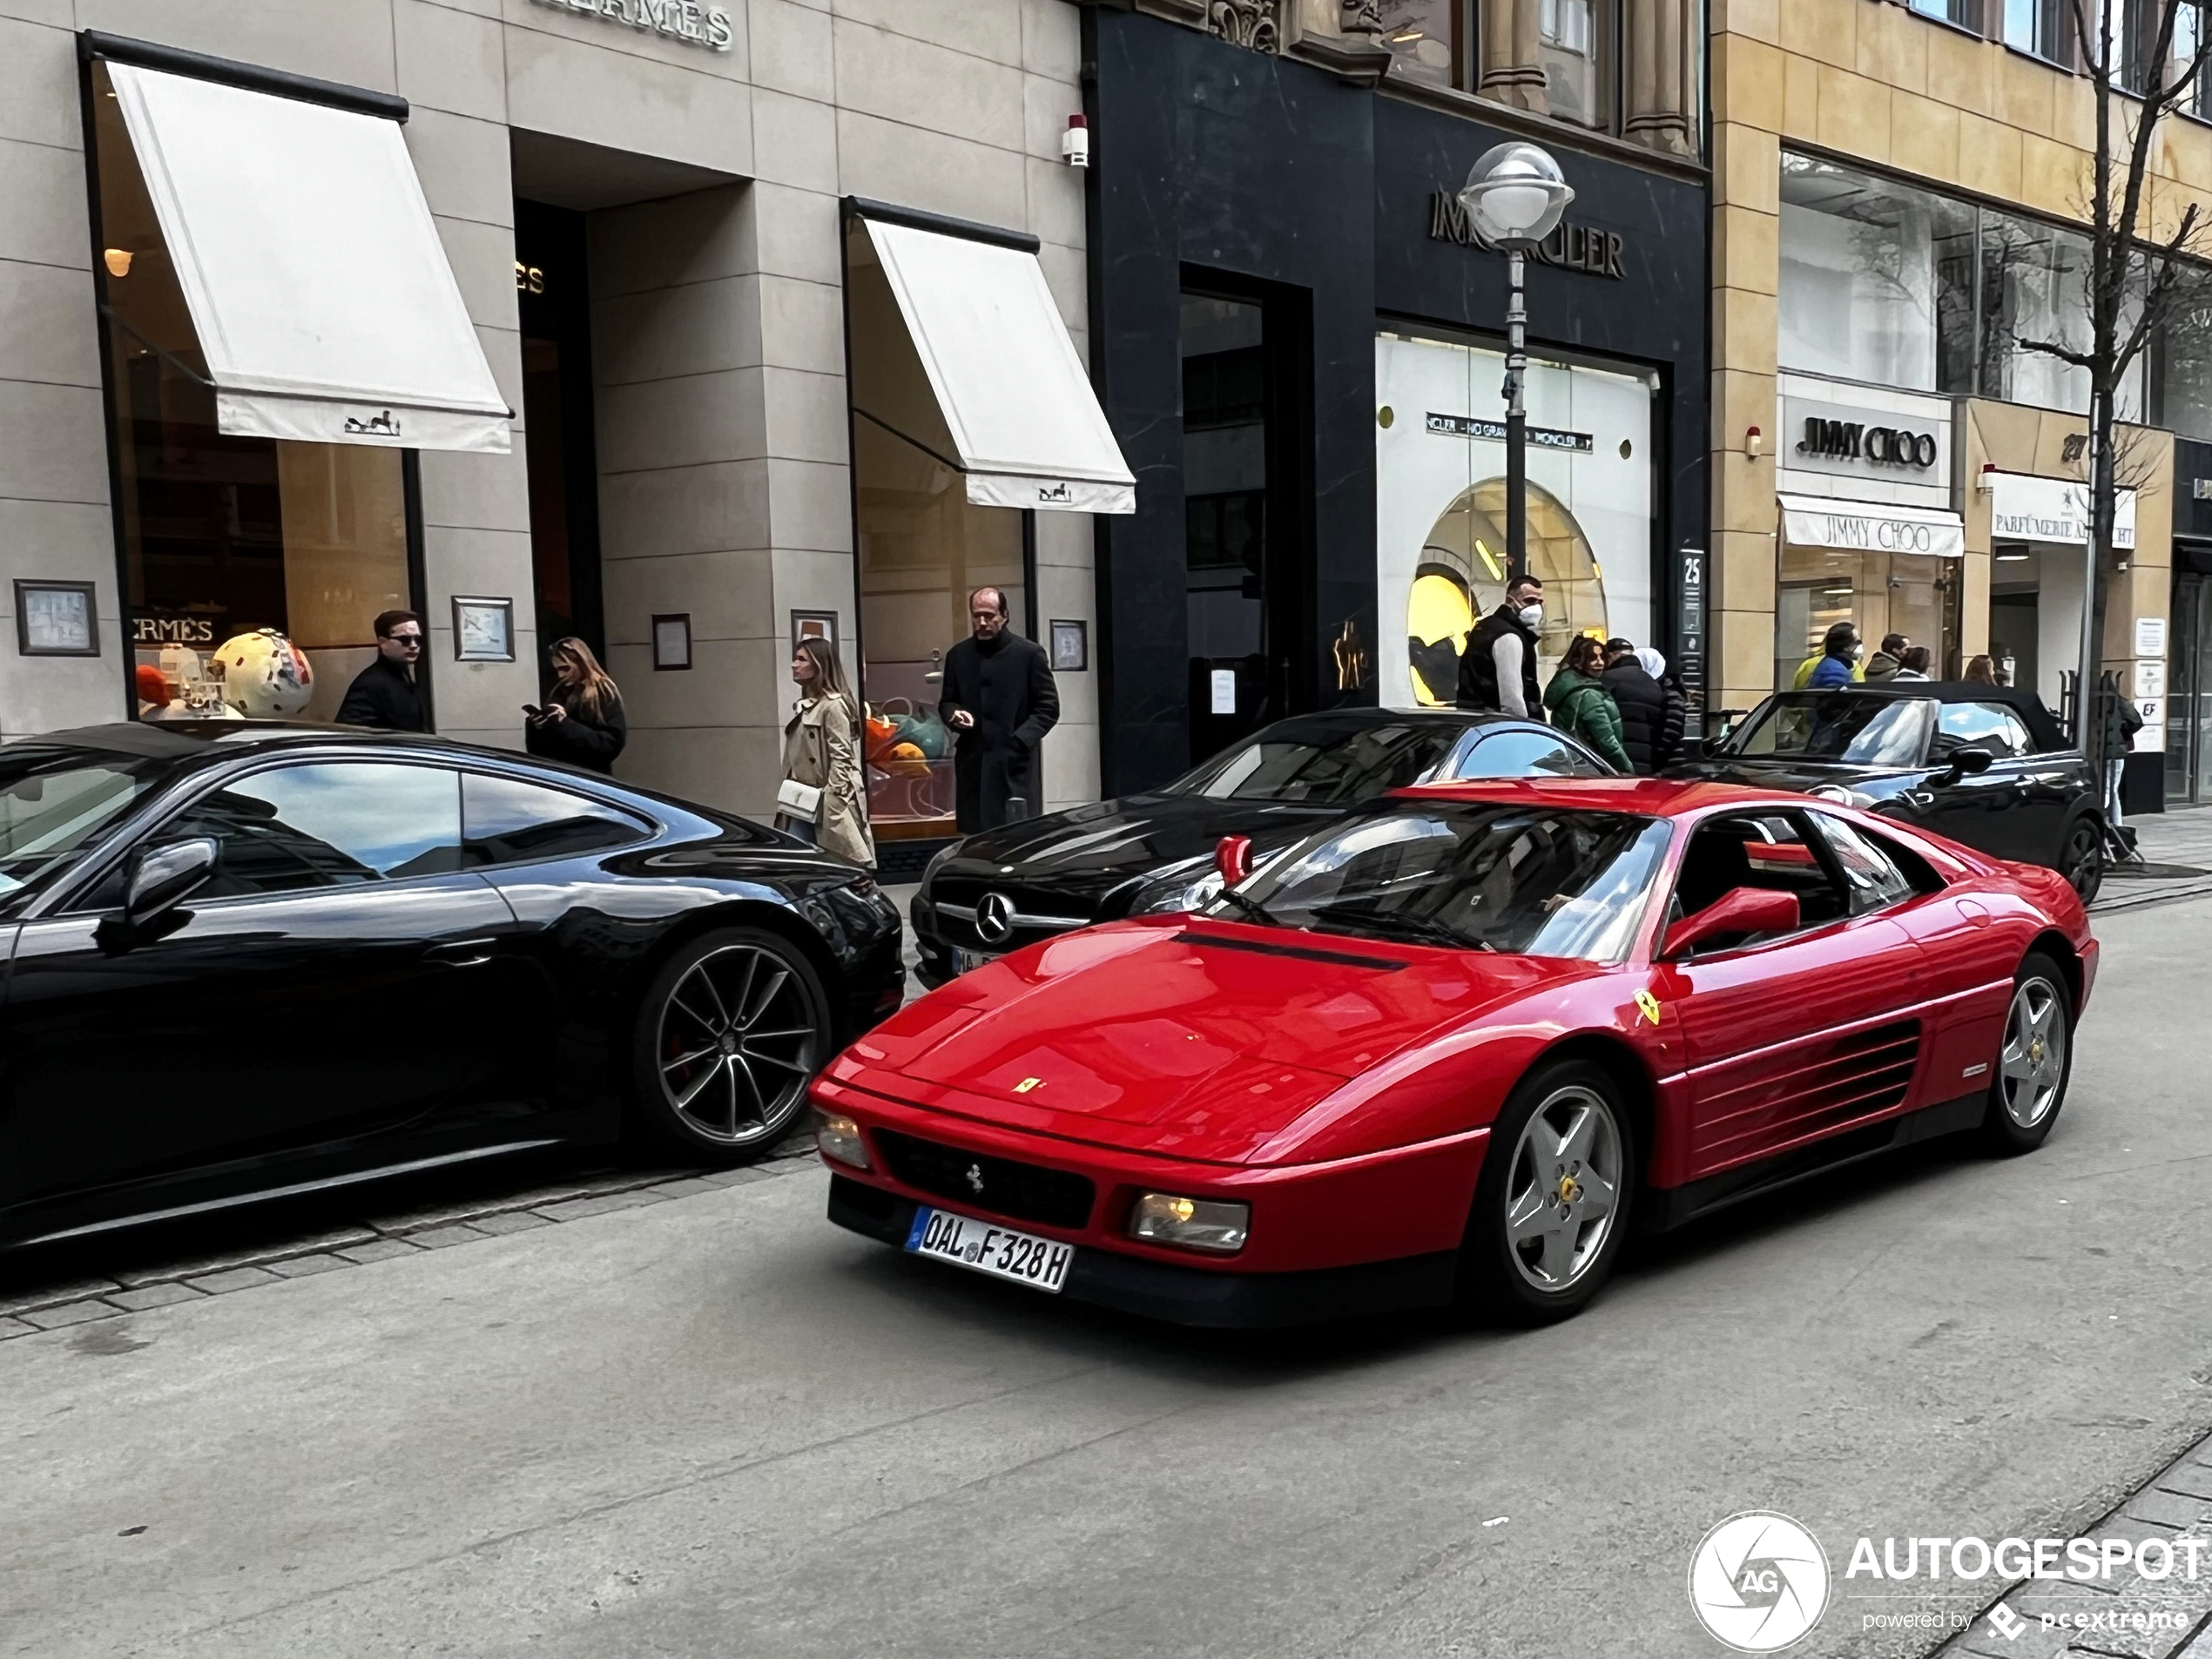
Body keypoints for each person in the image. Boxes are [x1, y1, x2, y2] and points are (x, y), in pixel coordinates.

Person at [940, 587, 1059, 833]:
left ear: (1004, 615)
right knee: (973, 837)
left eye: (989, 615)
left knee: (1016, 836)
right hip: (973, 763)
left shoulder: (1029, 654)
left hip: (1014, 767)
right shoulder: (958, 655)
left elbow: (1048, 708)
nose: (982, 622)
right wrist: (954, 714)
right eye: (976, 616)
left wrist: (1019, 741)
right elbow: (947, 701)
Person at [779, 637, 872, 864]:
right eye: (795, 658)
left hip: (827, 801)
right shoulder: (808, 703)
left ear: (819, 665)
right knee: (799, 862)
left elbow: (843, 757)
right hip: (803, 799)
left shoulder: (834, 705)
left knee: (843, 865)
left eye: (801, 659)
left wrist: (834, 799)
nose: (794, 664)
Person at [524, 637, 627, 774]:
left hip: (590, 776)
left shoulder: (603, 691)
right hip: (560, 774)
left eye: (565, 669)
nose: (561, 675)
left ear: (581, 663)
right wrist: (537, 726)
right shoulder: (559, 691)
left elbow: (610, 745)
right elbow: (539, 751)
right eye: (557, 670)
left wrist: (565, 723)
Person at [1458, 576, 1545, 718]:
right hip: (1497, 721)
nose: (1536, 607)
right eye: (1529, 601)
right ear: (1511, 601)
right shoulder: (1508, 637)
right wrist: (1523, 729)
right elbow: (1512, 699)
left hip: (1476, 717)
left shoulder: (1486, 627)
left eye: (1539, 602)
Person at [1543, 635, 1633, 772]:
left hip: (1576, 765)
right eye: (1592, 658)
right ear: (1578, 662)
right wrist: (1627, 769)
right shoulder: (1589, 695)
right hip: (1594, 768)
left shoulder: (1569, 689)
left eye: (1602, 657)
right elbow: (1607, 741)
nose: (1600, 663)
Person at [335, 609, 428, 731]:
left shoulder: (403, 676)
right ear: (382, 642)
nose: (413, 645)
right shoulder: (371, 683)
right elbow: (350, 732)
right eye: (405, 640)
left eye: (418, 640)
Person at [1600, 637, 1668, 772]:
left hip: (1614, 761)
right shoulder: (1653, 684)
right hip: (1645, 761)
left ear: (1611, 656)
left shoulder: (1607, 679)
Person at [1635, 645, 1689, 769]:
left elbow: (1672, 730)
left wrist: (1657, 754)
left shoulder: (1669, 694)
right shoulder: (1655, 690)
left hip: (1669, 763)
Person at [1792, 622, 1866, 689]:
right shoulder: (1835, 671)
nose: (1860, 645)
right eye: (1857, 642)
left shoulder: (1832, 664)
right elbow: (1833, 700)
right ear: (1846, 646)